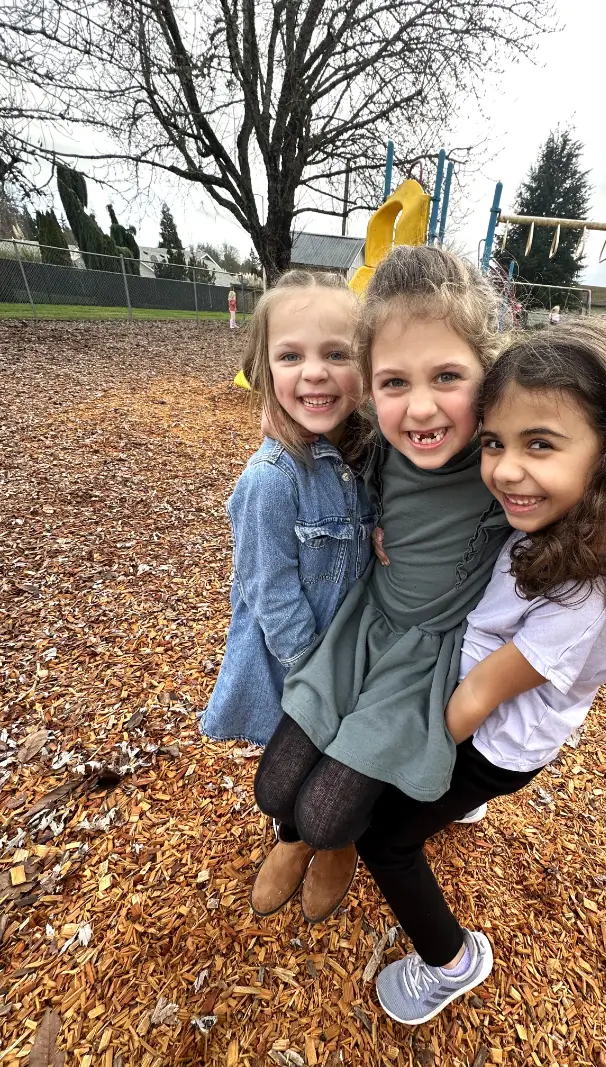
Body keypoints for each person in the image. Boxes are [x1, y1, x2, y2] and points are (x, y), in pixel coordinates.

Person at [357, 320, 606, 1025]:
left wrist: (390, 754)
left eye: (539, 443)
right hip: (502, 724)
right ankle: (457, 801)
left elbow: (475, 698)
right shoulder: (574, 512)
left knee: (384, 838)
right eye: (494, 442)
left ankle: (451, 960)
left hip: (496, 742)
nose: (505, 469)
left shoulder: (583, 585)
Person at [251, 246, 511, 920]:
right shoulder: (377, 443)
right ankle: (295, 838)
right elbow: (308, 413)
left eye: (448, 375)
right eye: (395, 382)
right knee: (274, 787)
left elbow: (600, 463)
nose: (420, 407)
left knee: (327, 811)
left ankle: (333, 843)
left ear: (492, 373)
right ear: (371, 386)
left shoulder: (502, 460)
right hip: (362, 626)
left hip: (423, 659)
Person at [201, 270, 375, 921]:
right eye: (292, 355)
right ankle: (295, 839)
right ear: (265, 367)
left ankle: (337, 840)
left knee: (340, 771)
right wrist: (318, 675)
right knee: (285, 776)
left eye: (337, 353)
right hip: (300, 662)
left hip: (359, 651)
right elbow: (269, 593)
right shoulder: (272, 479)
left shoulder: (366, 457)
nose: (315, 373)